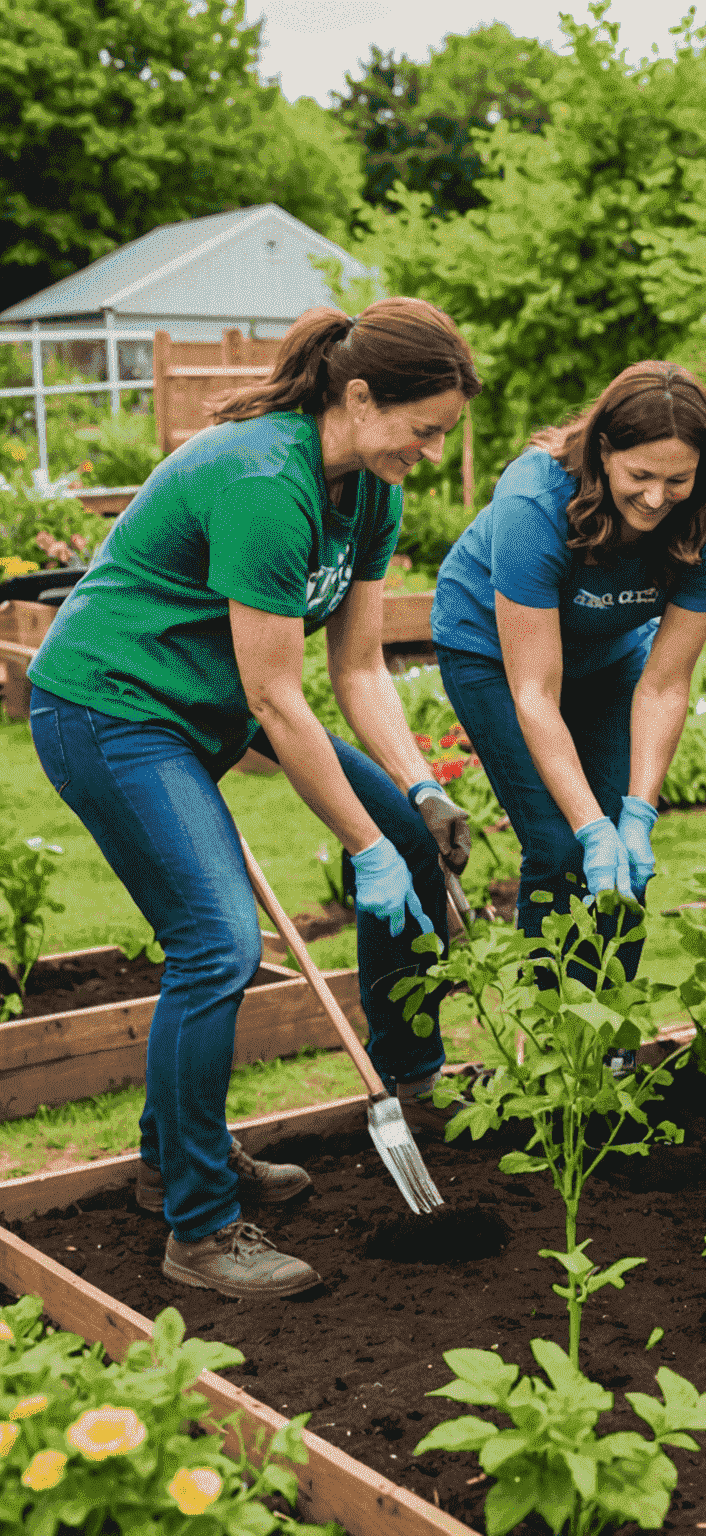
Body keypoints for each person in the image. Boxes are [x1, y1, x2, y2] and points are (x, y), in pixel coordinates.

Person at [27, 299, 484, 1300]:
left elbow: (358, 671)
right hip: (111, 709)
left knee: (408, 836)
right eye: (427, 427)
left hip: (206, 712)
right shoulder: (265, 483)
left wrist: (415, 794)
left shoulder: (369, 490)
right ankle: (197, 1224)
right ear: (360, 397)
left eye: (445, 432)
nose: (434, 450)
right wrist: (358, 846)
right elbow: (280, 699)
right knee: (220, 944)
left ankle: (394, 1081)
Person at [431, 362, 706, 976]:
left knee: (627, 852)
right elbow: (535, 690)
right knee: (561, 844)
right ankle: (554, 1047)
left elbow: (666, 681)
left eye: (677, 479)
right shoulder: (534, 503)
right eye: (640, 475)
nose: (656, 498)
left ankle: (612, 1040)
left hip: (608, 656)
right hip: (491, 654)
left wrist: (637, 816)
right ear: (603, 450)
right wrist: (591, 826)